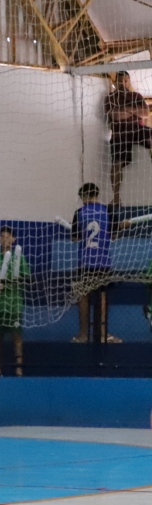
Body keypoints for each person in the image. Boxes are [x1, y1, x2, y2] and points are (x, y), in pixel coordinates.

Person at [71, 182, 129, 343]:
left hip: (85, 262)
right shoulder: (108, 210)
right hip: (103, 262)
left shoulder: (79, 212)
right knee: (102, 296)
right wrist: (121, 226)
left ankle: (83, 334)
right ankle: (103, 334)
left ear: (84, 196)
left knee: (83, 297)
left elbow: (74, 238)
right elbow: (114, 236)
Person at [0, 225, 28, 376]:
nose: (5, 239)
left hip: (14, 303)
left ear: (13, 239)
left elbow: (26, 278)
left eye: (8, 237)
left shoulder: (19, 258)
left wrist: (17, 280)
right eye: (2, 236)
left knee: (17, 336)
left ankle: (19, 368)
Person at [105, 72, 151, 207]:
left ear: (129, 81)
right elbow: (116, 115)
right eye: (121, 81)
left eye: (126, 80)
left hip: (136, 129)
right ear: (116, 82)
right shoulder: (110, 97)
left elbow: (145, 113)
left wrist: (126, 110)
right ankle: (116, 198)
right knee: (116, 163)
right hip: (120, 134)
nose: (123, 83)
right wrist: (134, 111)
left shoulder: (136, 96)